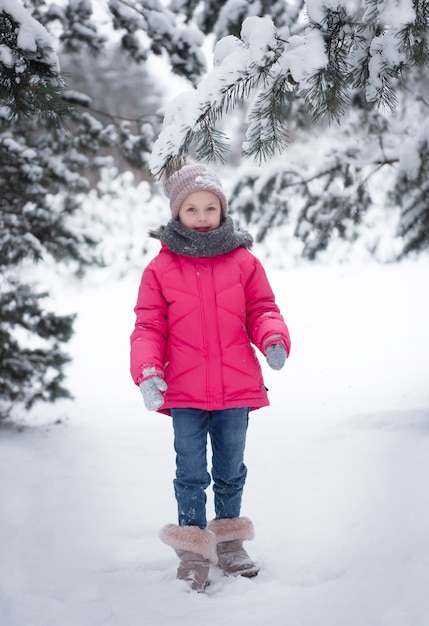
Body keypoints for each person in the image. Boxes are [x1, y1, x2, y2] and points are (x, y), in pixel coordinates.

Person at [130, 161, 291, 592]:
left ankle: (231, 541)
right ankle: (193, 550)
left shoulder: (243, 262)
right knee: (190, 472)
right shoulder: (160, 270)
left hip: (235, 387)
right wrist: (148, 372)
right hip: (183, 391)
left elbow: (262, 309)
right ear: (176, 214)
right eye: (191, 210)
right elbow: (148, 327)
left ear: (222, 210)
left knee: (230, 469)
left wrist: (273, 338)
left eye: (210, 208)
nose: (202, 217)